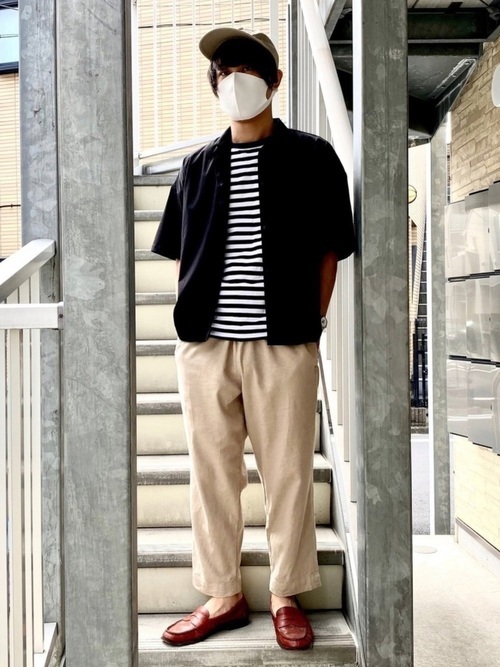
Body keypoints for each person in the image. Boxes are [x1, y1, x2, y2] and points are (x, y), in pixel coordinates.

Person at [152, 27, 356, 651]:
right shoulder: (196, 166)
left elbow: (331, 250)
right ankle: (223, 594)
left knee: (288, 472)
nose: (233, 80)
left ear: (275, 81)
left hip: (283, 343)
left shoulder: (314, 157)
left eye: (246, 69)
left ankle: (286, 593)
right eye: (223, 72)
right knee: (212, 475)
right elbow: (181, 253)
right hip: (205, 347)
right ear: (213, 86)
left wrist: (310, 324)